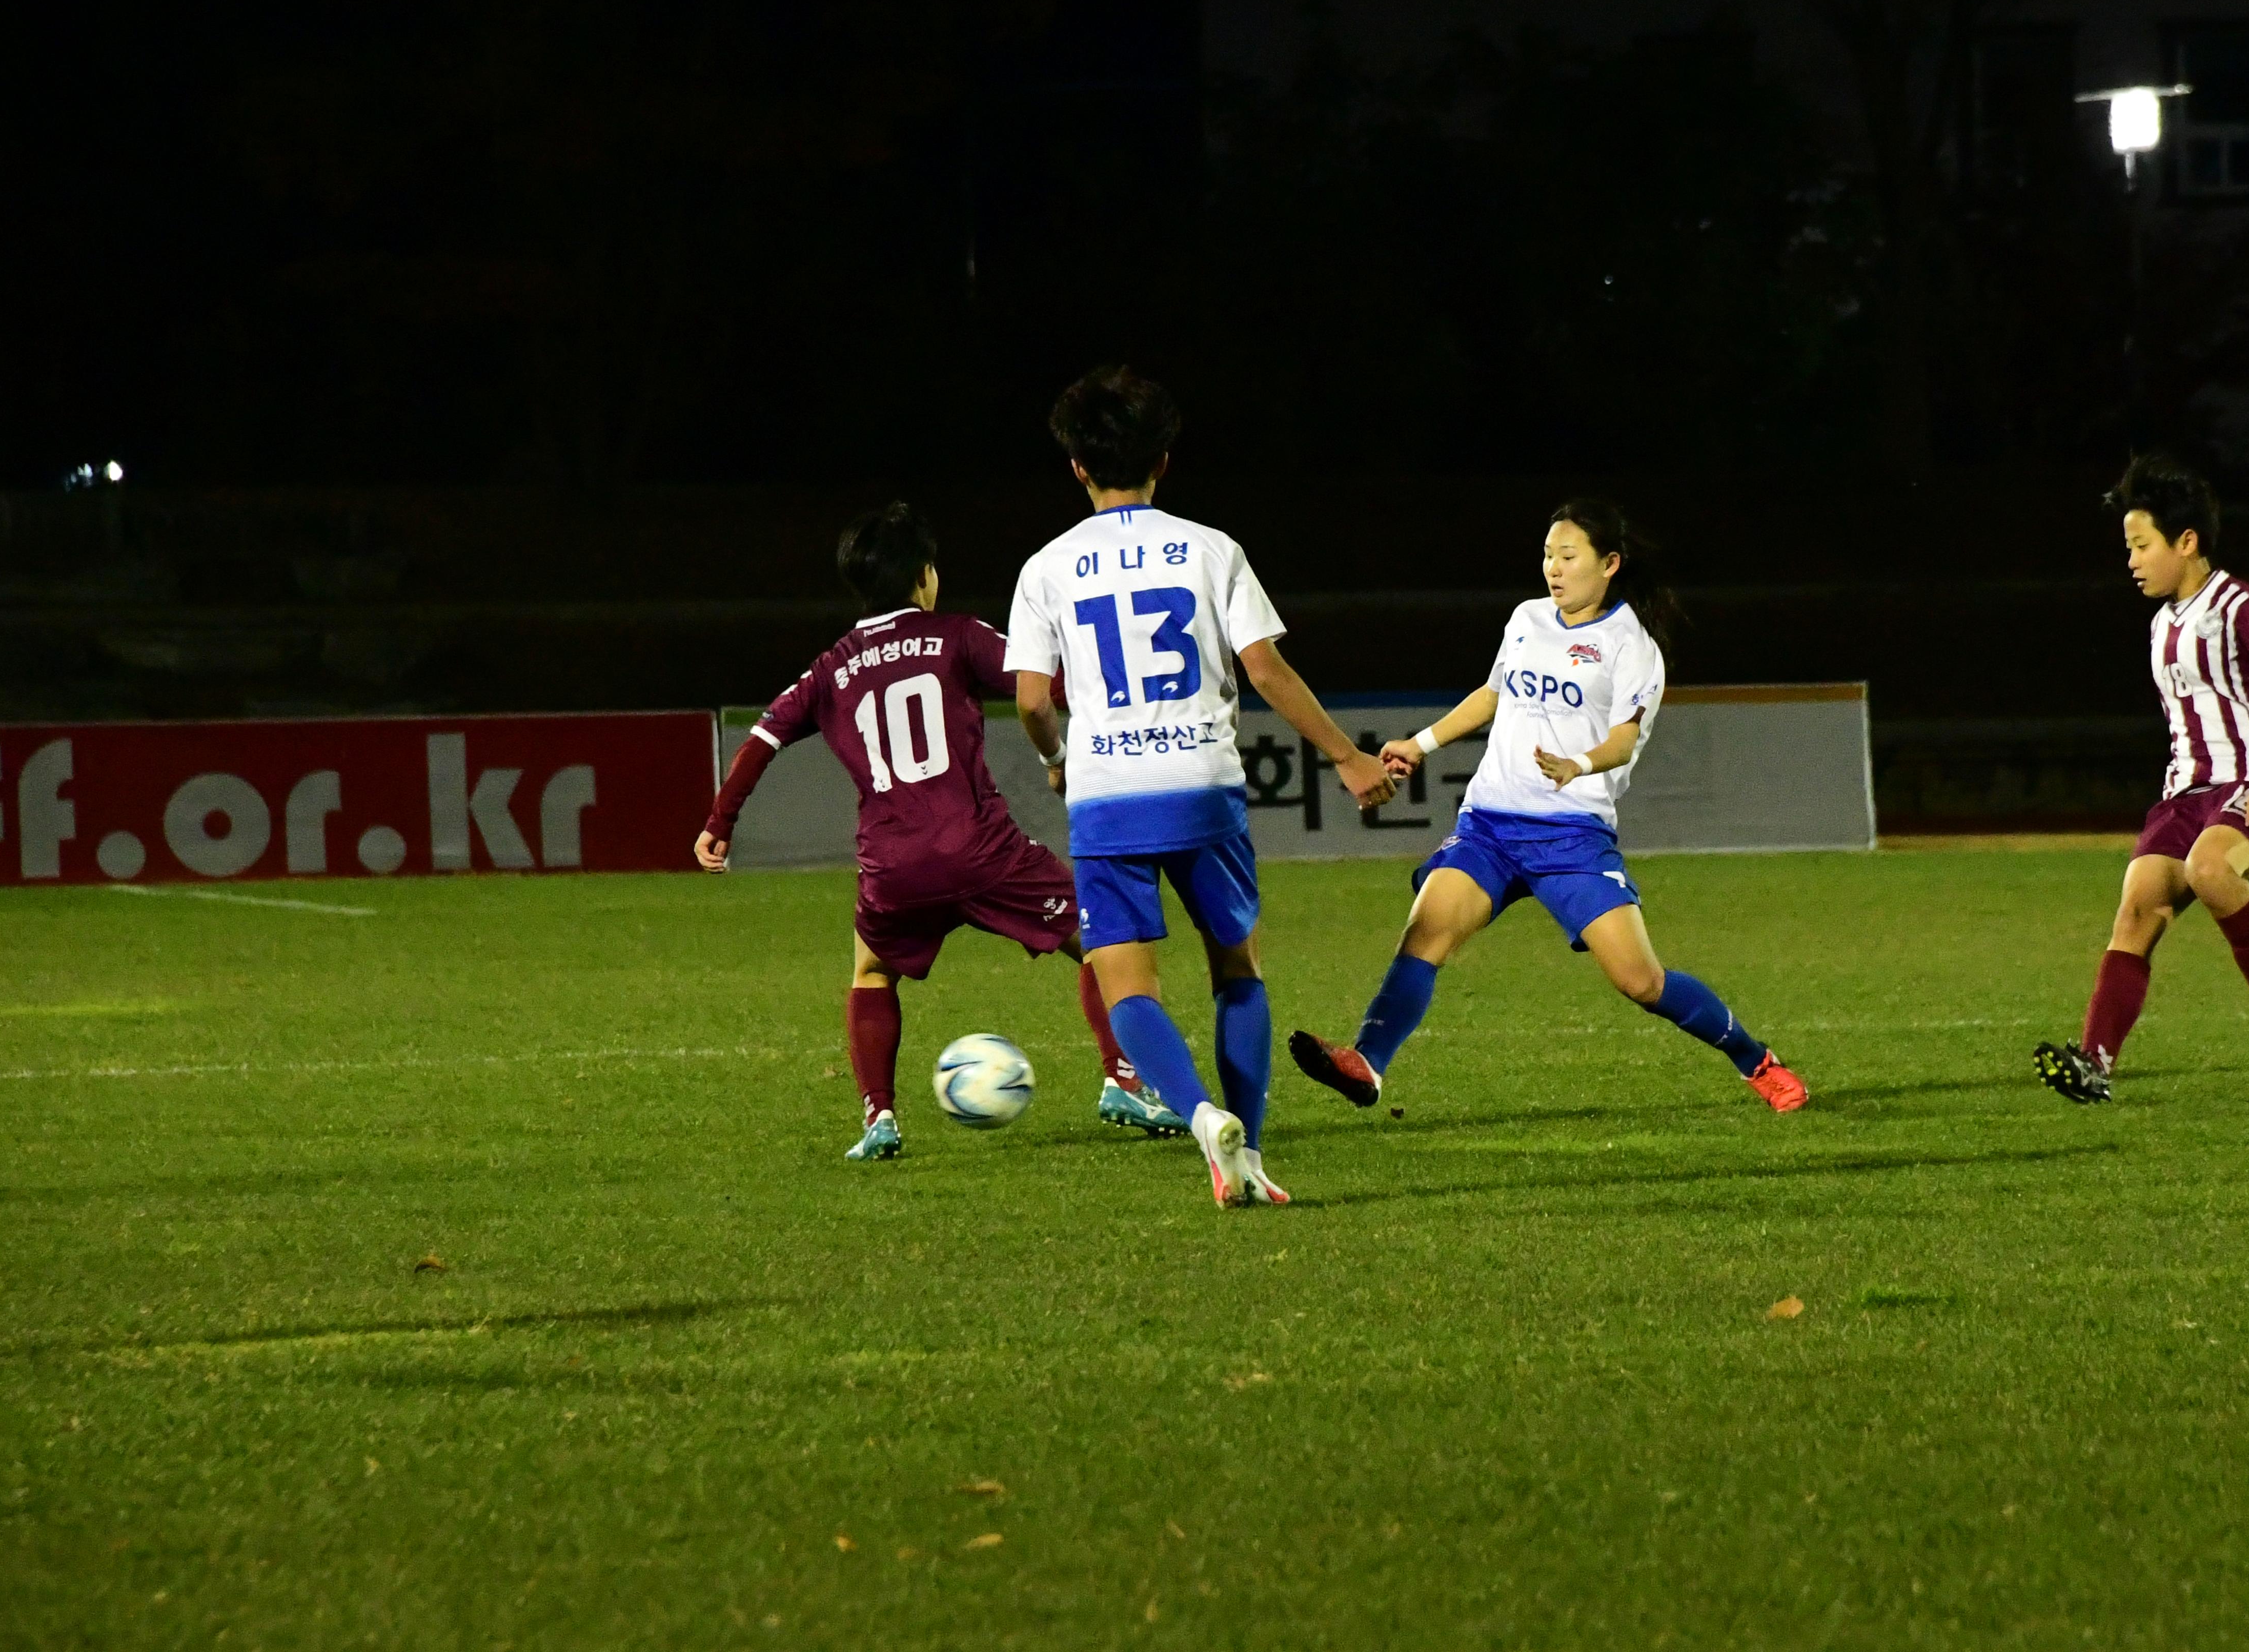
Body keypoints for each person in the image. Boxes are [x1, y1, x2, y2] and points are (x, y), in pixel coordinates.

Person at [1007, 365, 1396, 1208]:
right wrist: (1344, 754)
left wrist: (1055, 757)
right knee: (1236, 969)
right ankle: (1247, 1151)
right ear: (1165, 459)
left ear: (1076, 465)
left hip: (1107, 791)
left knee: (1126, 982)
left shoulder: (1047, 568)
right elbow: (1265, 668)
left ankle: (1195, 1118)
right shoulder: (1213, 549)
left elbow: (1034, 699)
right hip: (1203, 783)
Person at [1286, 499, 1810, 1114]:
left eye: (1568, 557)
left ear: (1610, 564)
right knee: (1424, 935)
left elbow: (1623, 739)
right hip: (1490, 825)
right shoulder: (1527, 619)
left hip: (1571, 837)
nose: (1553, 569)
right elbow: (1492, 694)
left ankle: (1756, 1061)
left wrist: (1578, 765)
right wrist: (1422, 743)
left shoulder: (1631, 647)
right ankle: (1367, 1063)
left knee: (1642, 982)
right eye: (1547, 556)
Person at [696, 502, 1182, 1162]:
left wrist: (720, 823)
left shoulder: (831, 668)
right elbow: (1046, 685)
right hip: (982, 849)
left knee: (871, 972)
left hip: (893, 865)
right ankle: (1123, 1079)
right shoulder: (957, 635)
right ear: (924, 575)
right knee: (1101, 942)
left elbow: (762, 738)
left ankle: (880, 1118)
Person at [2036, 455, 2249, 1104]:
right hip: (2187, 796)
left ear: (2186, 542)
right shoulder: (2162, 624)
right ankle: (2096, 1063)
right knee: (2138, 902)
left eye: (2142, 545)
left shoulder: (2240, 604)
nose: (2132, 560)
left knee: (2211, 870)